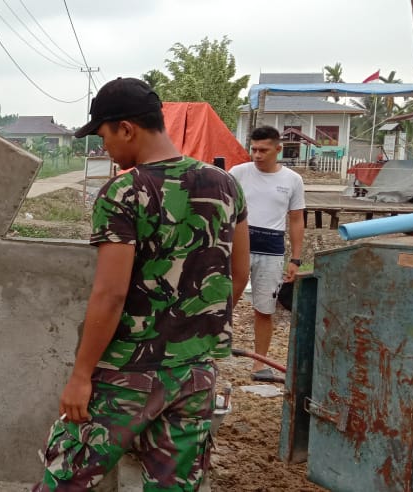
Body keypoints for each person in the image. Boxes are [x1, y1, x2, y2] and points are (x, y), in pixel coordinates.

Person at [35, 78, 250, 491]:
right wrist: (194, 332)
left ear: (127, 128)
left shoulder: (124, 191)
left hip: (127, 374)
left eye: (104, 136)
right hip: (196, 372)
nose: (105, 148)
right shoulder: (226, 185)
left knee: (67, 476)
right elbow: (237, 274)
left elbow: (111, 293)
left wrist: (81, 376)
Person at [229, 126, 305, 383]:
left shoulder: (292, 180)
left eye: (263, 150)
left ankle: (259, 363)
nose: (257, 155)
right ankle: (207, 355)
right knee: (224, 301)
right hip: (239, 244)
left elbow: (296, 219)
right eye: (254, 149)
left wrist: (295, 259)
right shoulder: (237, 173)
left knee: (264, 308)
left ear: (278, 149)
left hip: (272, 249)